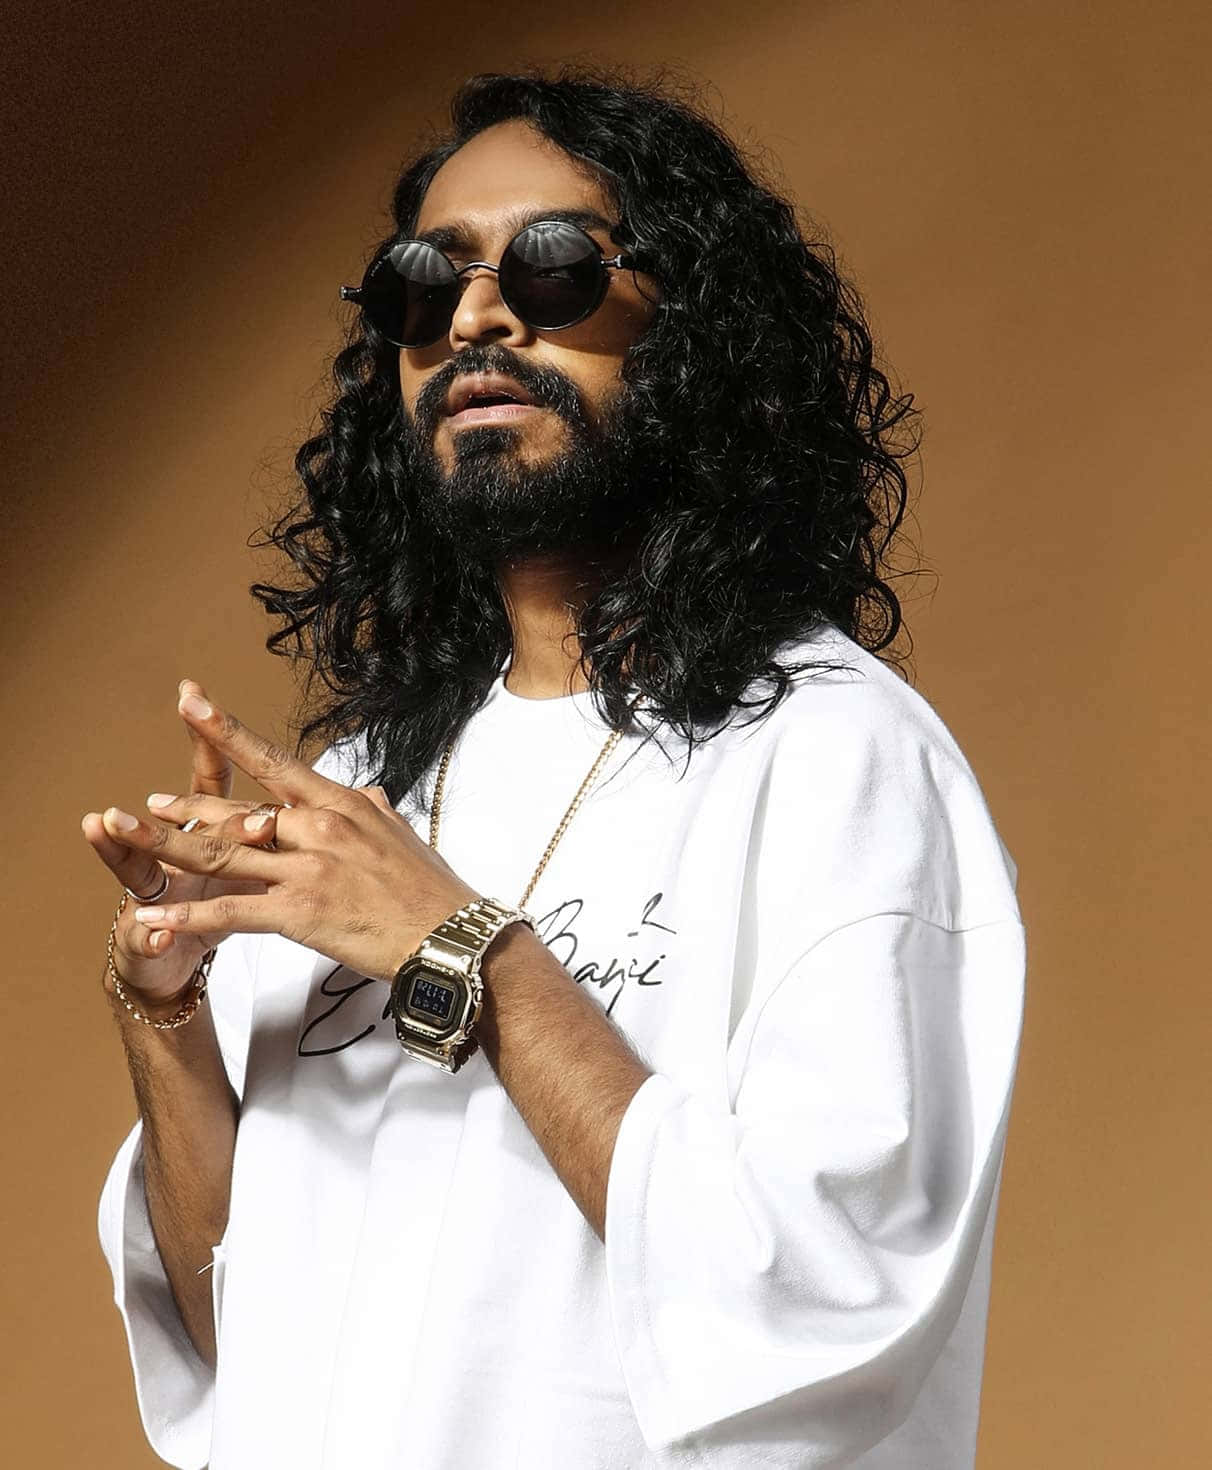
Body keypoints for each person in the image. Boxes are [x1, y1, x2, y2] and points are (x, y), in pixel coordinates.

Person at [85, 68, 1026, 1470]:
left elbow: (823, 1295)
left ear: (699, 329)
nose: (473, 318)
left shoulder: (838, 756)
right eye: (422, 285)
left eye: (551, 266)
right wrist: (165, 1012)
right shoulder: (367, 787)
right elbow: (242, 1340)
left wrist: (459, 944)